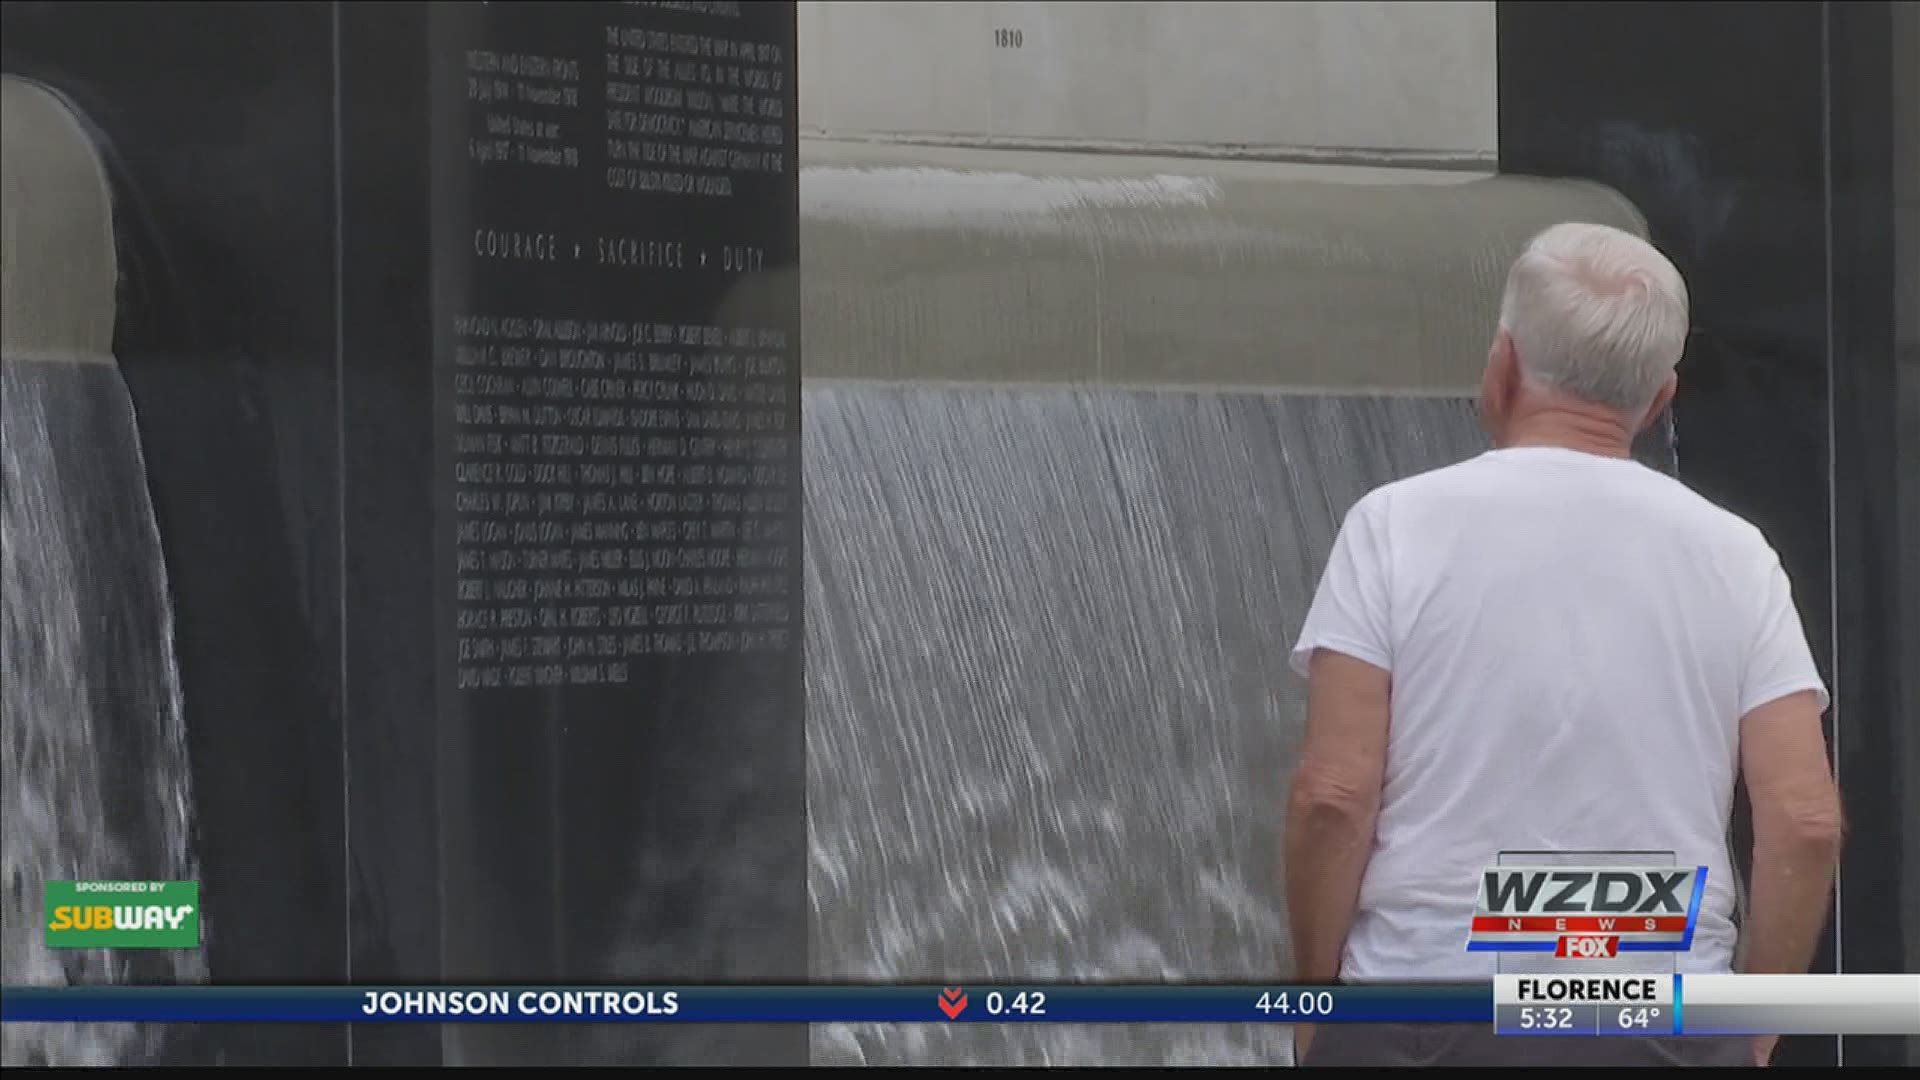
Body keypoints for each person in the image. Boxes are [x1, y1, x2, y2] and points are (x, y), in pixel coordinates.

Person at [1281, 222, 1844, 1067]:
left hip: (1426, 1011)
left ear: (1503, 363)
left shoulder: (1394, 527)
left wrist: (1317, 1000)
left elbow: (1332, 794)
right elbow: (1804, 821)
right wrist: (1752, 1031)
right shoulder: (1738, 556)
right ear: (1659, 399)